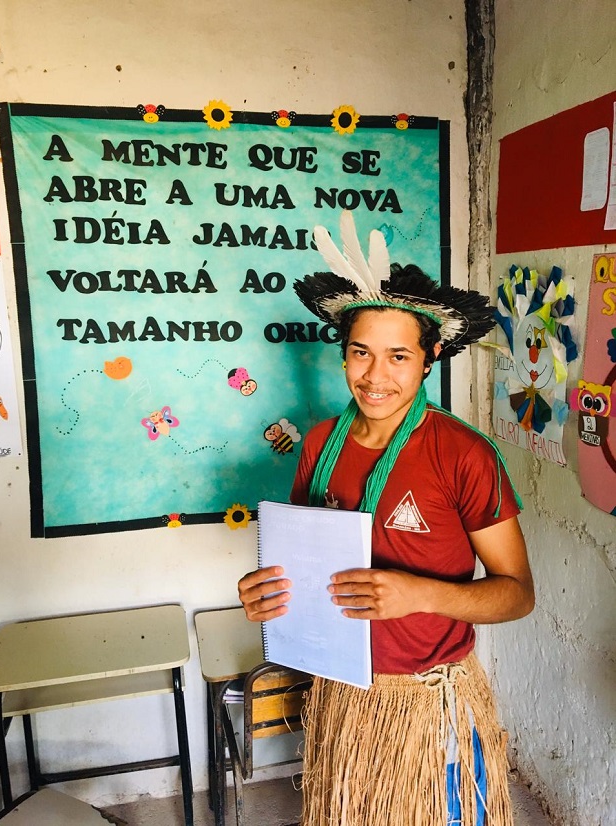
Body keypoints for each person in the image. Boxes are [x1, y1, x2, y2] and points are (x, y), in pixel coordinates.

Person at [238, 211, 534, 826]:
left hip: (432, 706)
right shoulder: (320, 445)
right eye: (361, 353)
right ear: (343, 357)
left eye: (399, 355)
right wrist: (266, 592)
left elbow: (517, 595)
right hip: (345, 699)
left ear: (429, 360)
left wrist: (418, 594)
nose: (376, 376)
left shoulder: (464, 454)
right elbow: (302, 564)